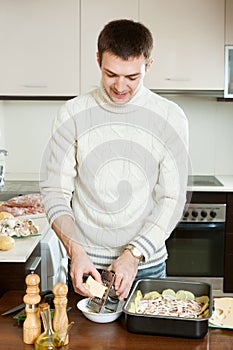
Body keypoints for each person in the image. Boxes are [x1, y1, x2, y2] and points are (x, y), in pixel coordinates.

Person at [40, 19, 189, 301]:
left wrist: (133, 254)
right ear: (98, 60)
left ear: (149, 65)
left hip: (145, 266)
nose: (120, 86)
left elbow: (172, 197)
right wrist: (76, 251)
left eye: (132, 77)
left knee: (147, 344)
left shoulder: (170, 117)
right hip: (88, 267)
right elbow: (55, 192)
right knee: (87, 343)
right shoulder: (72, 114)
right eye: (111, 74)